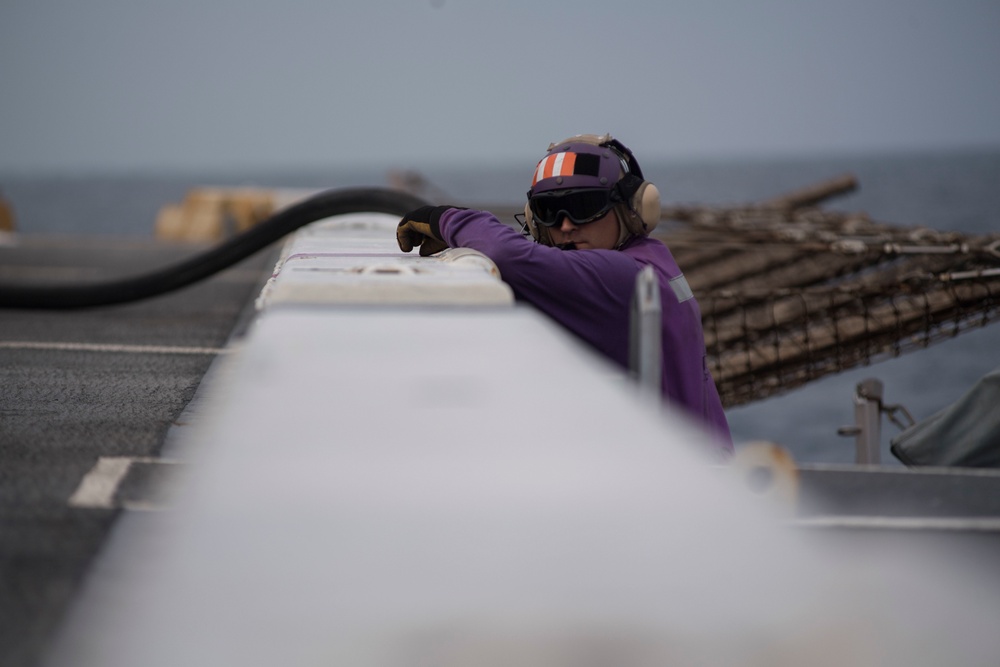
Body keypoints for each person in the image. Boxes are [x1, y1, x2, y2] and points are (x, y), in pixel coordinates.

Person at [396, 134, 733, 456]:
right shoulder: (653, 259)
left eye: (585, 206)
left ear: (632, 207)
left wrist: (446, 219)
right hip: (702, 472)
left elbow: (507, 255)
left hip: (680, 485)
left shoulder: (623, 276)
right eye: (549, 211)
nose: (566, 225)